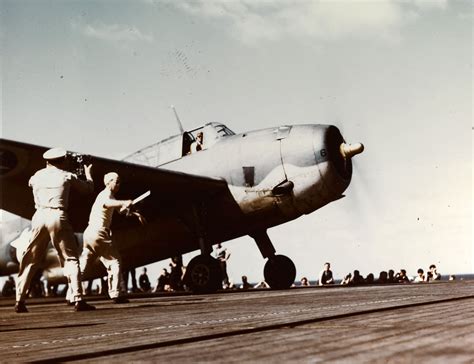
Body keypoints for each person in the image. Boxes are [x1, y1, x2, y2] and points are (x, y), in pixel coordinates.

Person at [15, 147, 95, 313]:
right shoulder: (66, 175)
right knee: (70, 258)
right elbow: (88, 189)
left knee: (30, 259)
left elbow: (31, 183)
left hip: (38, 217)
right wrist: (87, 173)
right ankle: (78, 299)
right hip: (57, 215)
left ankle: (20, 300)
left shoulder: (36, 176)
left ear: (46, 161)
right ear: (63, 160)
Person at [71, 172, 136, 304]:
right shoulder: (105, 195)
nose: (118, 184)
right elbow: (108, 204)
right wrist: (124, 202)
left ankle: (71, 295)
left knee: (83, 265)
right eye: (116, 181)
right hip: (99, 233)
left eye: (119, 182)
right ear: (108, 182)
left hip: (89, 233)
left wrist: (132, 212)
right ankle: (115, 294)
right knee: (115, 262)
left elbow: (120, 210)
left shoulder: (110, 196)